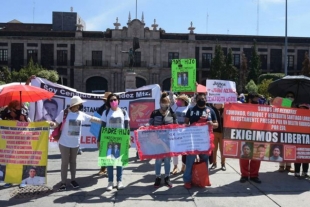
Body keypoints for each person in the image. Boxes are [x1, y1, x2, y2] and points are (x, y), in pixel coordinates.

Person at [48, 96, 102, 191]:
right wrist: (52, 124)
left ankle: (73, 180)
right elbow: (56, 123)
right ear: (73, 105)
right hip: (64, 142)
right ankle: (63, 182)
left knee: (73, 162)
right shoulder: (64, 113)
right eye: (78, 104)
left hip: (75, 143)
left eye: (80, 104)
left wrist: (104, 121)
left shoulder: (81, 114)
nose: (80, 106)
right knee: (64, 162)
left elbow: (92, 119)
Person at [183, 93, 218, 189]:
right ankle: (187, 180)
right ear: (196, 100)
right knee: (189, 161)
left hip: (205, 142)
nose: (201, 100)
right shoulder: (191, 110)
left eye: (203, 98)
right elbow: (185, 123)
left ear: (206, 100)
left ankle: (204, 179)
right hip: (192, 141)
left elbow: (217, 124)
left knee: (204, 162)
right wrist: (186, 126)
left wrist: (212, 123)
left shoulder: (211, 110)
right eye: (199, 98)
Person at [100, 93, 130, 191]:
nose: (113, 101)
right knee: (109, 161)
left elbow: (126, 126)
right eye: (111, 100)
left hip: (121, 138)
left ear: (118, 101)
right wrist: (99, 140)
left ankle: (119, 181)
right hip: (108, 139)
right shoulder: (106, 112)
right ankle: (110, 182)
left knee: (119, 161)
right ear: (109, 102)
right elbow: (102, 126)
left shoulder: (124, 112)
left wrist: (128, 139)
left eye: (115, 99)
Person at [149, 92, 178, 188]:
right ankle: (157, 177)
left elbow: (176, 126)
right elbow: (150, 126)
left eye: (166, 103)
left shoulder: (172, 114)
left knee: (167, 160)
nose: (164, 105)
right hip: (157, 141)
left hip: (169, 141)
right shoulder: (154, 113)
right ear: (160, 102)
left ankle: (167, 177)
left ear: (169, 103)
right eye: (162, 103)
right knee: (158, 160)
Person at [0, 100, 30, 188]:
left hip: (21, 139)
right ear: (13, 105)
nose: (20, 105)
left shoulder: (23, 111)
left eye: (20, 104)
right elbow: (1, 120)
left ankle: (22, 180)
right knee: (10, 160)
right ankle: (10, 180)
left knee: (21, 160)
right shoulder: (6, 111)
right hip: (9, 139)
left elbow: (29, 124)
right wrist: (10, 118)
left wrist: (23, 120)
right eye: (17, 104)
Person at [239, 92, 262, 184]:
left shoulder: (261, 108)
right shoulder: (243, 108)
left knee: (256, 157)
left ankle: (254, 175)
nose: (257, 101)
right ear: (249, 100)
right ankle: (244, 175)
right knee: (244, 157)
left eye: (257, 99)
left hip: (258, 135)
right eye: (255, 99)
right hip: (246, 134)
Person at [169, 93, 190, 174]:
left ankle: (183, 166)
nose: (177, 101)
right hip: (176, 132)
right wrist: (171, 88)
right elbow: (171, 99)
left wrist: (195, 89)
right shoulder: (176, 107)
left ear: (183, 101)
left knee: (184, 151)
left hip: (185, 133)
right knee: (175, 150)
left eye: (179, 100)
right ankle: (175, 166)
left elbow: (195, 99)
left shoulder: (189, 108)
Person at [278, 91, 295, 172]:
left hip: (292, 130)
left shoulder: (296, 106)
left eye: (291, 96)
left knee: (290, 148)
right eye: (288, 96)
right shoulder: (283, 105)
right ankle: (281, 165)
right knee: (282, 146)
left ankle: (288, 165)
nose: (290, 97)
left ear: (294, 98)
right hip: (282, 129)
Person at [97, 92, 111, 176]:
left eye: (107, 100)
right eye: (104, 100)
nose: (105, 102)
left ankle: (109, 169)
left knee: (110, 151)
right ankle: (103, 168)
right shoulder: (101, 109)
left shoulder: (116, 109)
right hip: (102, 131)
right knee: (102, 151)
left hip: (112, 132)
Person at [294, 103, 310, 177]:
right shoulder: (295, 116)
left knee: (306, 156)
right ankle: (297, 172)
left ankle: (305, 172)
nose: (303, 109)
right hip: (297, 138)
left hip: (307, 139)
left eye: (305, 108)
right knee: (297, 156)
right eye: (301, 108)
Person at [210, 103, 226, 171]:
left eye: (219, 103)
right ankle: (214, 163)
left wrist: (225, 115)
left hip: (223, 133)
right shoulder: (212, 110)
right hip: (214, 132)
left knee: (222, 150)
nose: (217, 104)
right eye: (216, 103)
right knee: (214, 149)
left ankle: (223, 164)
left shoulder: (225, 110)